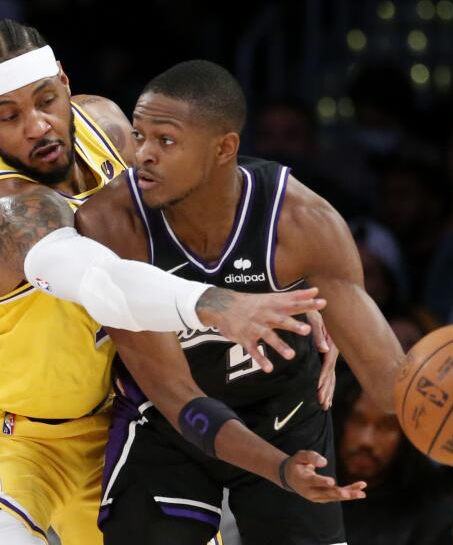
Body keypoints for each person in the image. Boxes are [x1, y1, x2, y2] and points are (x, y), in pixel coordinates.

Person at [0, 20, 339, 545]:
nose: (38, 126)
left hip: (105, 420)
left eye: (46, 100)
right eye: (9, 116)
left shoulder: (107, 125)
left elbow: (201, 199)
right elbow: (103, 282)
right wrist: (221, 303)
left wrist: (290, 288)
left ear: (66, 82)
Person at [75, 59, 418, 545]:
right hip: (167, 422)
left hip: (284, 412)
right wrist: (278, 471)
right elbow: (176, 395)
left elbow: (390, 386)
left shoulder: (302, 225)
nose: (143, 155)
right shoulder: (111, 225)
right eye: (139, 135)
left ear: (224, 148)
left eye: (165, 140)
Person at [334, 369, 453, 545]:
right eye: (357, 420)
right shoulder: (302, 485)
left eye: (386, 426)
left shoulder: (434, 514)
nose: (366, 440)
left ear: (407, 435)